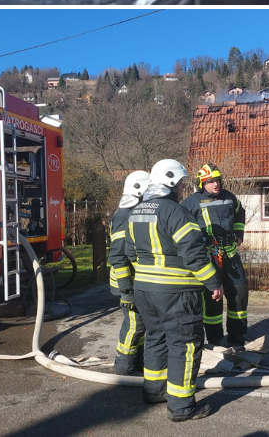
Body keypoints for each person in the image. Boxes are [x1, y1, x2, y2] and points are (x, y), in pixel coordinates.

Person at [109, 158, 222, 422]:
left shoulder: (136, 211)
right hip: (177, 293)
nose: (183, 188)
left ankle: (154, 392)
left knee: (156, 339)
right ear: (171, 183)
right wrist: (213, 283)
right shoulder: (175, 211)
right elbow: (193, 253)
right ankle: (182, 407)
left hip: (145, 292)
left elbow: (127, 252)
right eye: (181, 183)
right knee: (184, 345)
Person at [181, 163, 250, 347]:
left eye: (217, 180)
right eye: (210, 181)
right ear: (201, 183)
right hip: (209, 258)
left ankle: (237, 339)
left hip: (231, 256)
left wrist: (239, 235)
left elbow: (240, 213)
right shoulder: (191, 203)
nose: (215, 184)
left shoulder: (229, 198)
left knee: (239, 296)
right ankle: (215, 341)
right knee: (212, 302)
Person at [109, 170, 151, 375]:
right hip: (126, 283)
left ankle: (137, 362)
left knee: (140, 323)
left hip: (135, 281)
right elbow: (117, 256)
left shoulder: (134, 212)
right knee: (134, 323)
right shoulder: (124, 216)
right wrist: (126, 291)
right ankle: (124, 365)